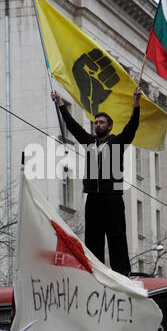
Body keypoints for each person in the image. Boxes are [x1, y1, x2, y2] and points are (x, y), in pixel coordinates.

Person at [51, 86, 141, 275]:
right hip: (93, 198)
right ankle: (94, 272)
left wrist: (136, 102)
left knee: (116, 238)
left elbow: (132, 126)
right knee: (93, 239)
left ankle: (122, 274)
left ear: (109, 126)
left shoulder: (117, 142)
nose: (97, 125)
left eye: (101, 122)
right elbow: (73, 126)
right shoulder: (89, 142)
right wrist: (60, 104)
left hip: (112, 197)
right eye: (96, 122)